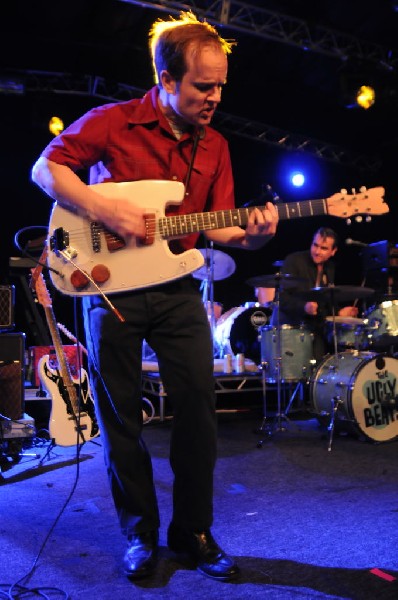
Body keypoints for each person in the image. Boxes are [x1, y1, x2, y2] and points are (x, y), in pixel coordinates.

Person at [31, 11, 279, 582]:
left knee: (198, 413)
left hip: (175, 290)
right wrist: (105, 207)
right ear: (166, 79)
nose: (215, 96)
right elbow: (47, 169)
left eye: (220, 86)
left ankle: (192, 531)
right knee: (123, 420)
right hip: (108, 289)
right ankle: (139, 533)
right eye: (202, 86)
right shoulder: (112, 122)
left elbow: (216, 227)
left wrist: (255, 232)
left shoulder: (214, 144)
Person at [262, 227, 358, 366]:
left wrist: (339, 313)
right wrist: (304, 307)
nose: (317, 251)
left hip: (315, 329)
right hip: (291, 329)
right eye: (315, 245)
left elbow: (326, 302)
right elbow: (283, 299)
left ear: (333, 251)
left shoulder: (330, 268)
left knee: (320, 370)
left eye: (323, 248)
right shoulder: (294, 261)